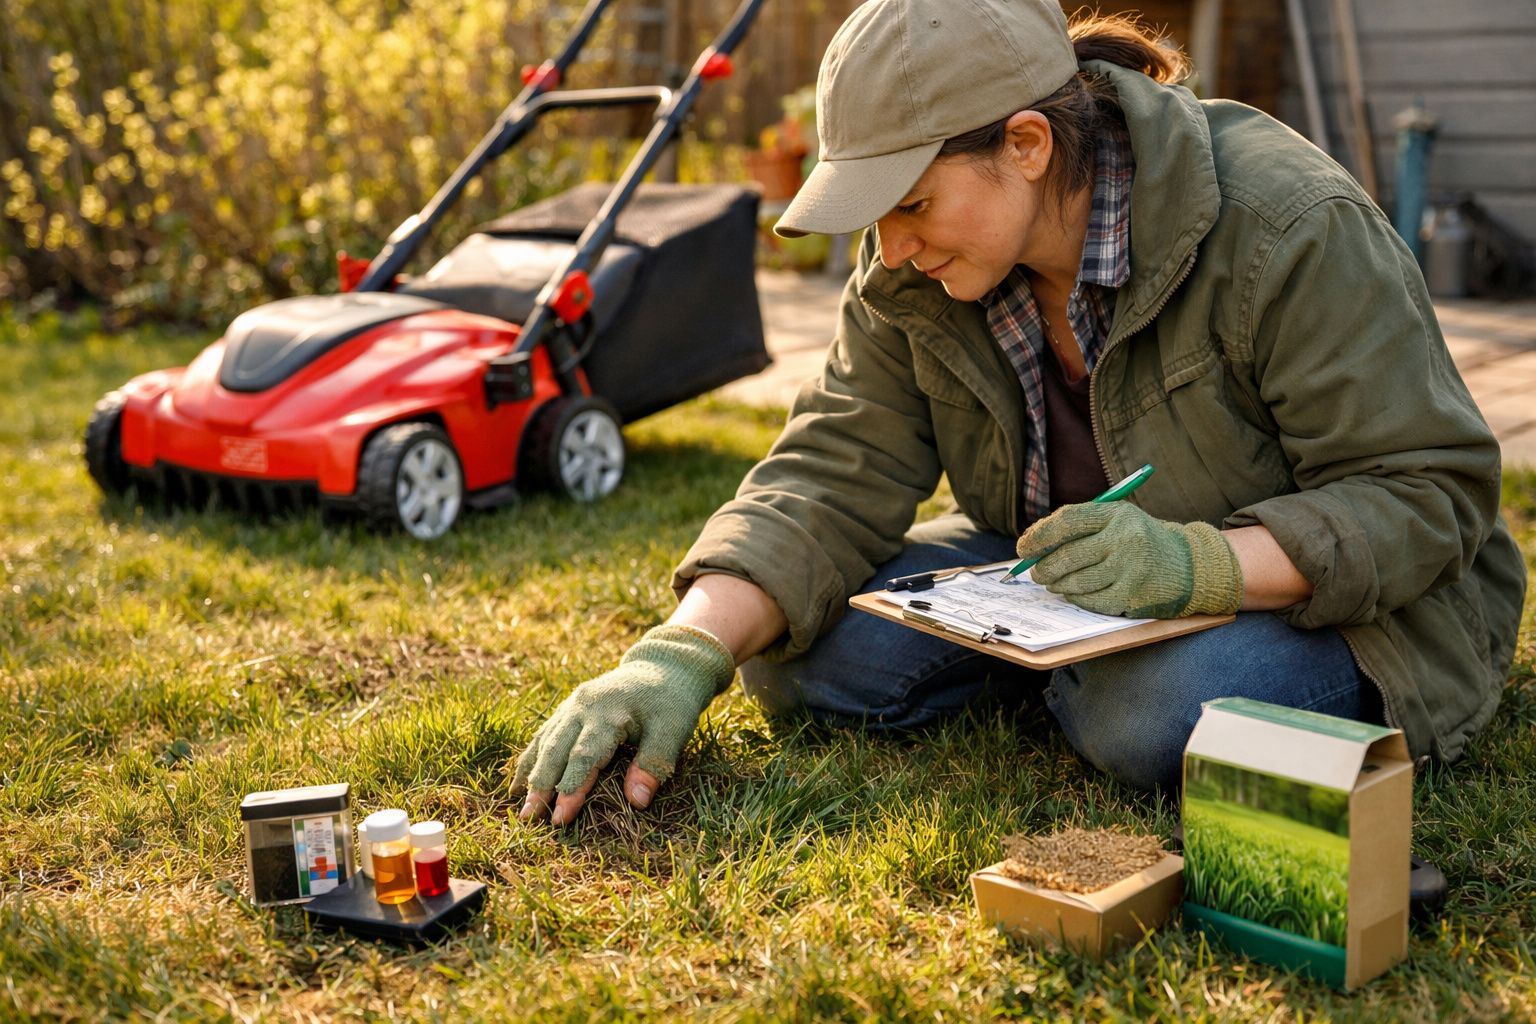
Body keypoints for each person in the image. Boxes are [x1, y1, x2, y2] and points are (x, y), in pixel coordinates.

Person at [512, 0, 1527, 826]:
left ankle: (1090, 681)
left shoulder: (1289, 225)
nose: (891, 245)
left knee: (1154, 711)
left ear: (1030, 143)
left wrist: (1198, 566)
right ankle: (1070, 673)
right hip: (1065, 576)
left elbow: (1426, 494)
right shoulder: (917, 268)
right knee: (800, 651)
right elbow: (830, 467)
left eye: (909, 202)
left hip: (1349, 603)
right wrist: (677, 650)